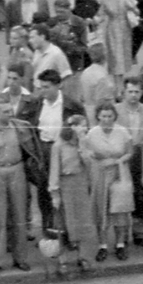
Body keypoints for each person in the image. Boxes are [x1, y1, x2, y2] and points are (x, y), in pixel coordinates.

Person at [0, 95, 36, 276]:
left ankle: (21, 258)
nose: (10, 114)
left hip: (17, 170)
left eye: (11, 110)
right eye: (5, 111)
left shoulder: (18, 127)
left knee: (19, 216)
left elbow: (30, 149)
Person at [82, 101, 134, 262]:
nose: (106, 119)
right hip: (99, 174)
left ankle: (120, 245)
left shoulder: (123, 132)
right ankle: (102, 245)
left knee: (120, 210)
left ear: (114, 116)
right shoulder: (92, 133)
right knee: (100, 209)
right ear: (98, 116)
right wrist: (93, 156)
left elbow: (130, 152)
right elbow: (86, 152)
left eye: (110, 116)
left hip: (119, 173)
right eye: (103, 116)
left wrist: (117, 161)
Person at [48, 114, 99, 273]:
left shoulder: (85, 143)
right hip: (65, 184)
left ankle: (83, 257)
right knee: (63, 223)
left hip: (81, 183)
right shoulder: (58, 145)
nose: (85, 128)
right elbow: (55, 170)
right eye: (82, 125)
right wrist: (55, 193)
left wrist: (83, 145)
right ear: (72, 127)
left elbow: (90, 163)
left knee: (83, 223)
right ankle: (62, 260)